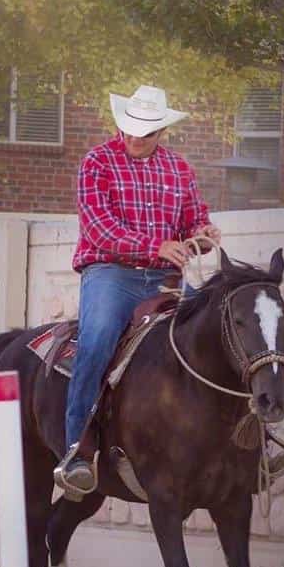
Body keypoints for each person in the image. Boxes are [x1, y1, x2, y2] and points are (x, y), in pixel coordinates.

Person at [53, 85, 221, 497]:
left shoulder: (180, 170)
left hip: (166, 278)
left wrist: (202, 235)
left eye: (144, 132)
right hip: (111, 274)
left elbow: (193, 220)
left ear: (162, 131)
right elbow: (99, 228)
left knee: (217, 335)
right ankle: (76, 450)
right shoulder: (97, 162)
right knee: (96, 342)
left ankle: (248, 445)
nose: (133, 138)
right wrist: (156, 246)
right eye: (128, 129)